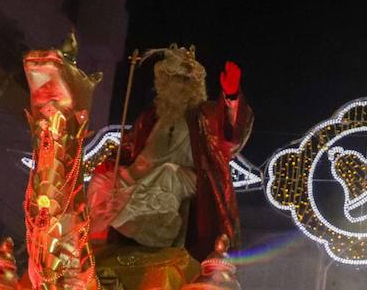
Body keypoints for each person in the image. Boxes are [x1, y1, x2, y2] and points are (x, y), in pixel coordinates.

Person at [87, 44, 251, 260]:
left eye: (186, 82)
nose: (181, 87)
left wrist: (231, 98)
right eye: (176, 80)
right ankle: (103, 234)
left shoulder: (204, 116)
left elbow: (230, 135)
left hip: (188, 176)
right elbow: (128, 147)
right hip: (143, 172)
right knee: (103, 181)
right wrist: (111, 164)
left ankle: (159, 233)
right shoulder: (151, 116)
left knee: (168, 174)